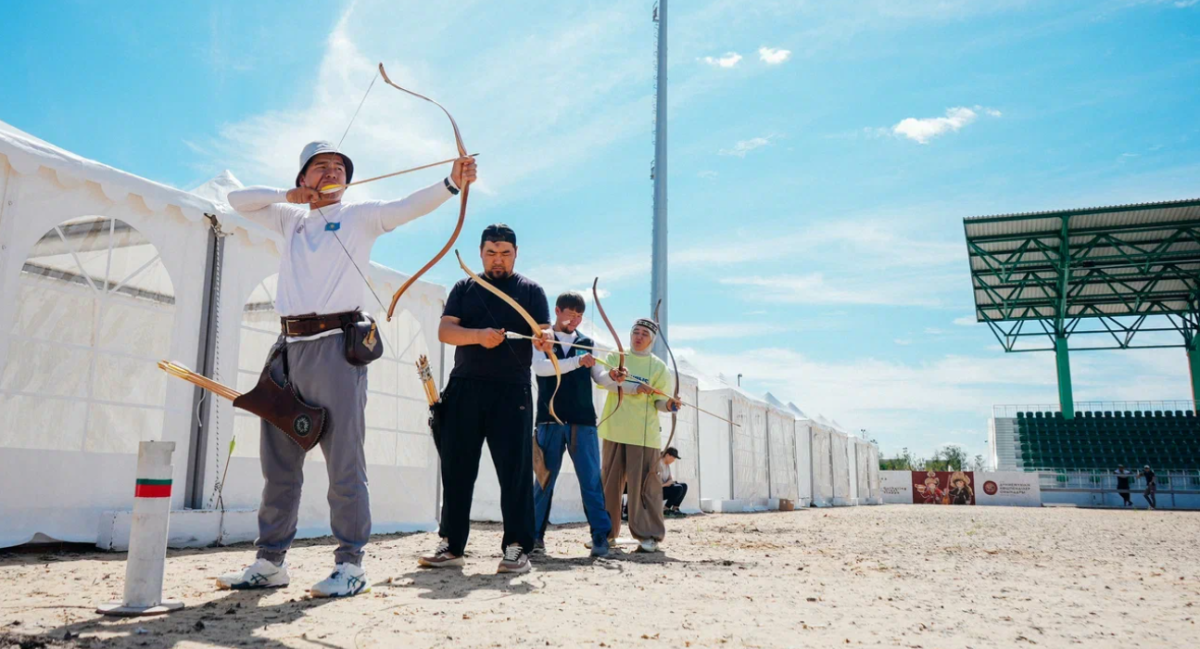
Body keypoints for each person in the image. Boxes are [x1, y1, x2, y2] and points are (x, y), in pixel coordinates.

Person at [217, 141, 476, 597]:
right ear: (303, 178)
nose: (332, 171)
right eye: (321, 167)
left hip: (337, 347)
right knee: (278, 460)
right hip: (288, 348)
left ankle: (350, 564)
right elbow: (236, 201)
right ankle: (270, 560)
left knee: (344, 461)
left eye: (340, 167)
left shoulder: (359, 216)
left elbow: (407, 207)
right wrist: (286, 194)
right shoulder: (289, 217)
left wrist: (452, 182)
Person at [419, 224, 555, 574]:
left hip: (512, 391)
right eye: (491, 252)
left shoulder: (530, 290)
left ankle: (516, 547)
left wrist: (545, 339)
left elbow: (545, 330)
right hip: (464, 387)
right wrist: (478, 336)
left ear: (516, 253)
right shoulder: (465, 287)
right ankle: (451, 544)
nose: (498, 259)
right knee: (457, 468)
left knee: (515, 471)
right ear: (480, 253)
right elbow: (445, 330)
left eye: (505, 253)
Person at [531, 292, 624, 558]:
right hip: (550, 420)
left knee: (591, 480)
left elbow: (599, 377)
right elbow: (541, 368)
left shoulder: (587, 343)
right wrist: (576, 361)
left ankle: (600, 537)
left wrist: (614, 377)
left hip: (583, 422)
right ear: (558, 311)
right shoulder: (542, 338)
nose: (575, 319)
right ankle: (534, 536)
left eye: (580, 315)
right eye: (570, 313)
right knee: (543, 480)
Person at [598, 318, 680, 553]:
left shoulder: (659, 367)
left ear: (652, 340)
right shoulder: (616, 356)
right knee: (609, 486)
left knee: (645, 486)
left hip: (644, 436)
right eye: (636, 331)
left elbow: (661, 402)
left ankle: (649, 535)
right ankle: (605, 534)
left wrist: (671, 405)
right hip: (615, 430)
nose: (639, 336)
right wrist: (634, 388)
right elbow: (606, 382)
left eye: (645, 333)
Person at [660, 447, 688, 518]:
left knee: (684, 486)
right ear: (667, 455)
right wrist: (667, 484)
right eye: (673, 457)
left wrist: (670, 482)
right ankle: (665, 509)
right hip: (657, 490)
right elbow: (654, 484)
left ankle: (675, 508)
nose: (674, 460)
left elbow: (670, 478)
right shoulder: (659, 464)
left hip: (665, 487)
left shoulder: (667, 465)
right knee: (678, 488)